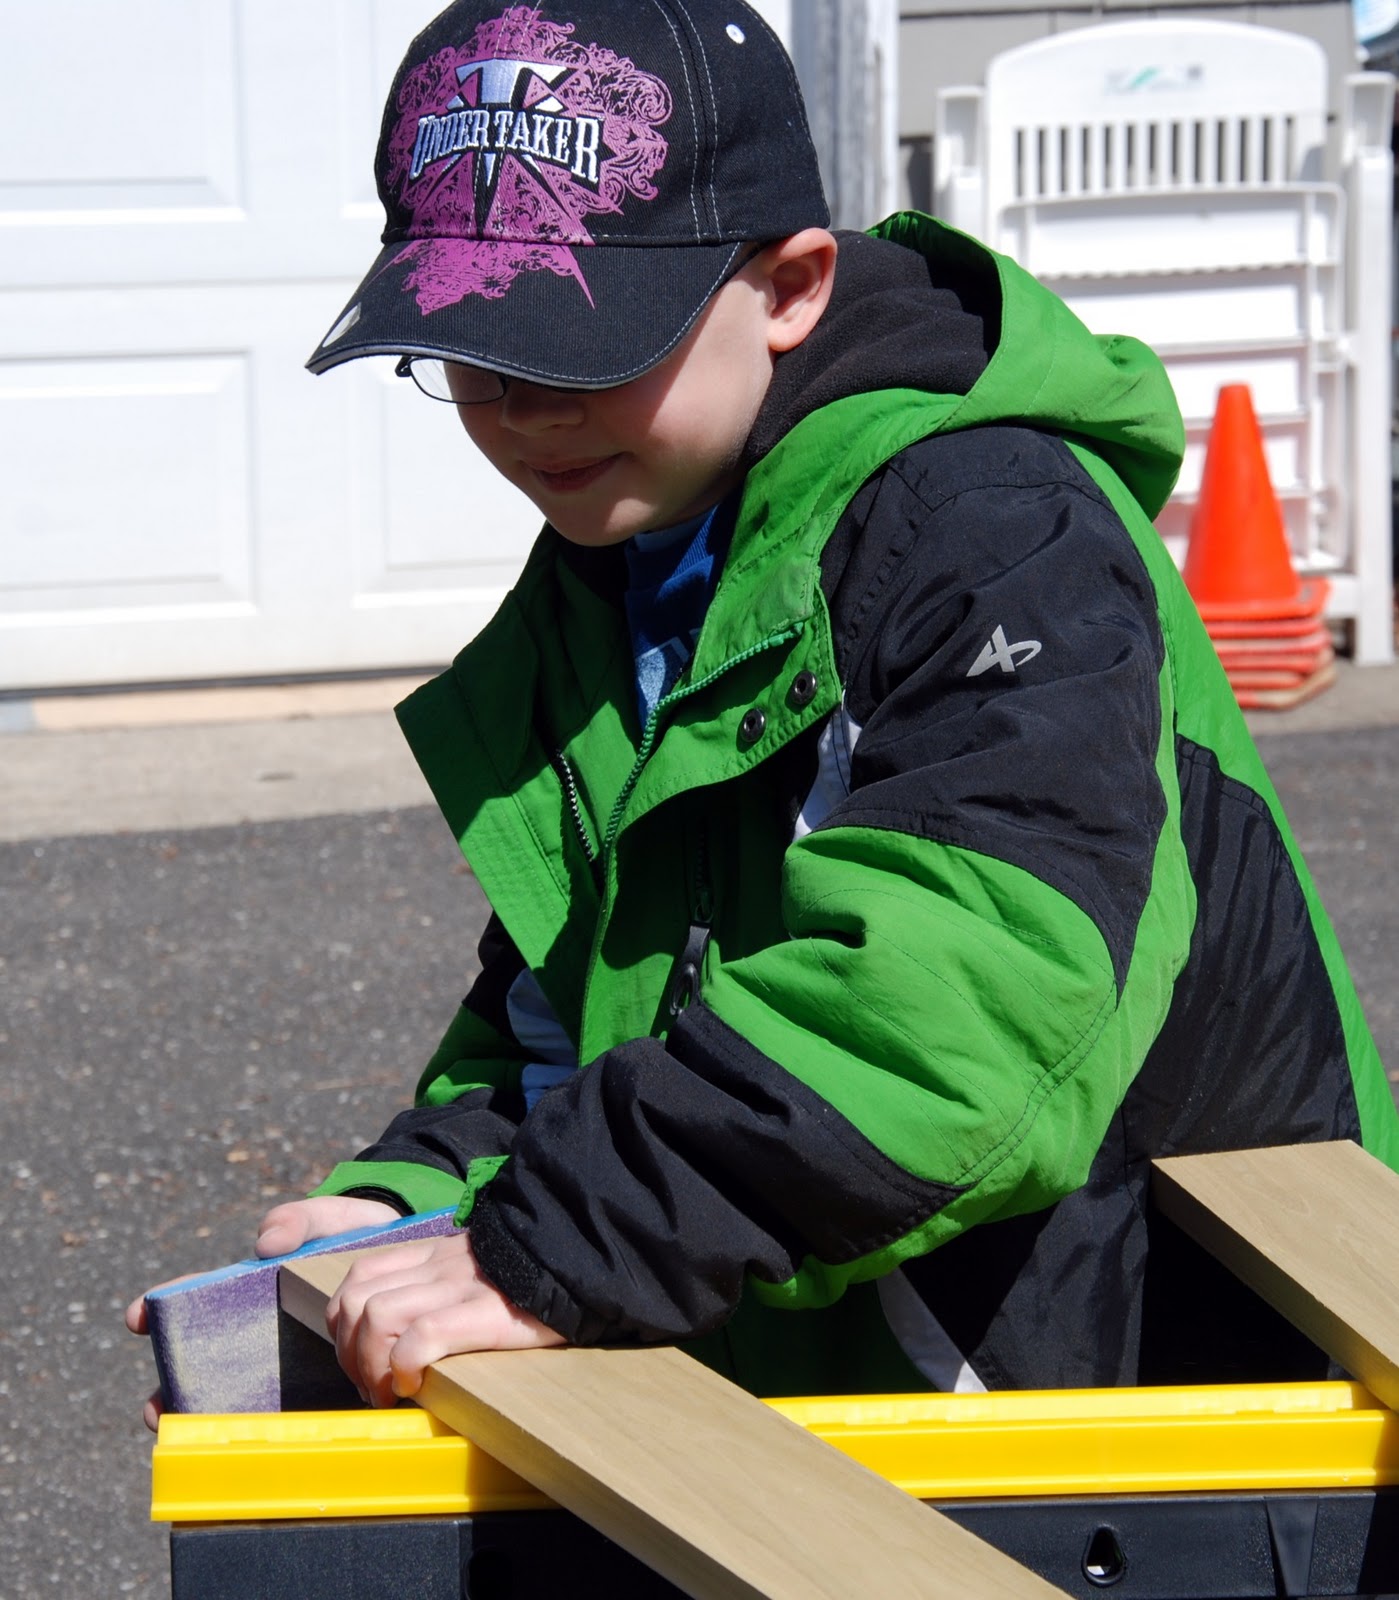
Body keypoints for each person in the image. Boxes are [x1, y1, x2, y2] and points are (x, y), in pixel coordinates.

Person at [131, 0, 1399, 1419]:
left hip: (1146, 1367)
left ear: (792, 286)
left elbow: (969, 993)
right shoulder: (629, 554)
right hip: (849, 1316)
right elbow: (582, 990)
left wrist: (571, 1238)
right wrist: (425, 1192)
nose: (525, 408)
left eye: (585, 345)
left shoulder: (988, 526)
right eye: (474, 352)